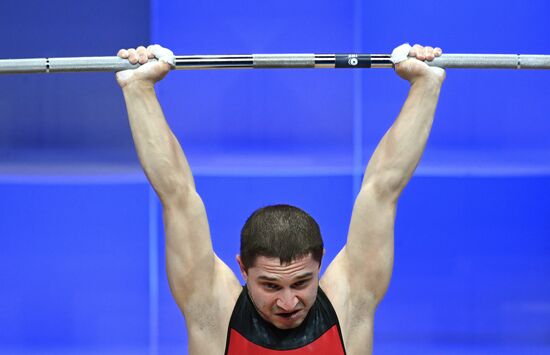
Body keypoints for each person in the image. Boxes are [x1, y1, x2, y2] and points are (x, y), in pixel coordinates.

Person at [116, 43, 445, 355]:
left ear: (320, 263)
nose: (289, 303)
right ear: (243, 269)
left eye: (301, 282)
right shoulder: (214, 313)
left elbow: (383, 188)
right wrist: (139, 88)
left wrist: (424, 85)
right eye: (271, 286)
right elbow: (176, 194)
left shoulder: (348, 307)